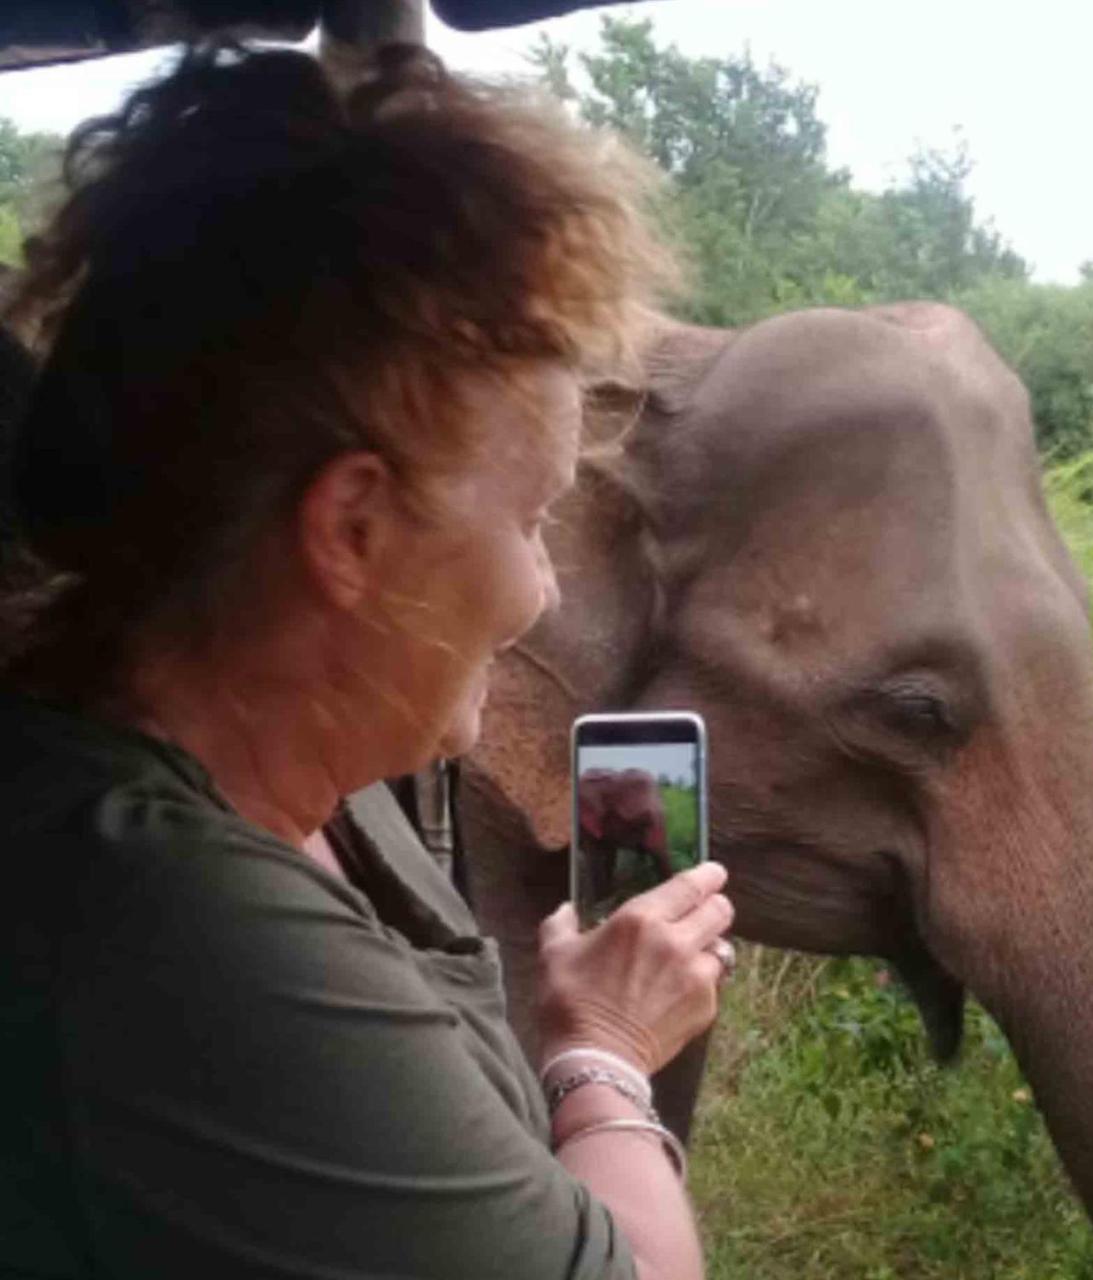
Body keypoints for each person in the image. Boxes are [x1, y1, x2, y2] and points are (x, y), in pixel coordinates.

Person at [0, 43, 735, 1280]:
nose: (537, 587)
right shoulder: (175, 931)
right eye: (530, 516)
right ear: (351, 527)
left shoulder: (289, 775)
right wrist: (602, 1053)